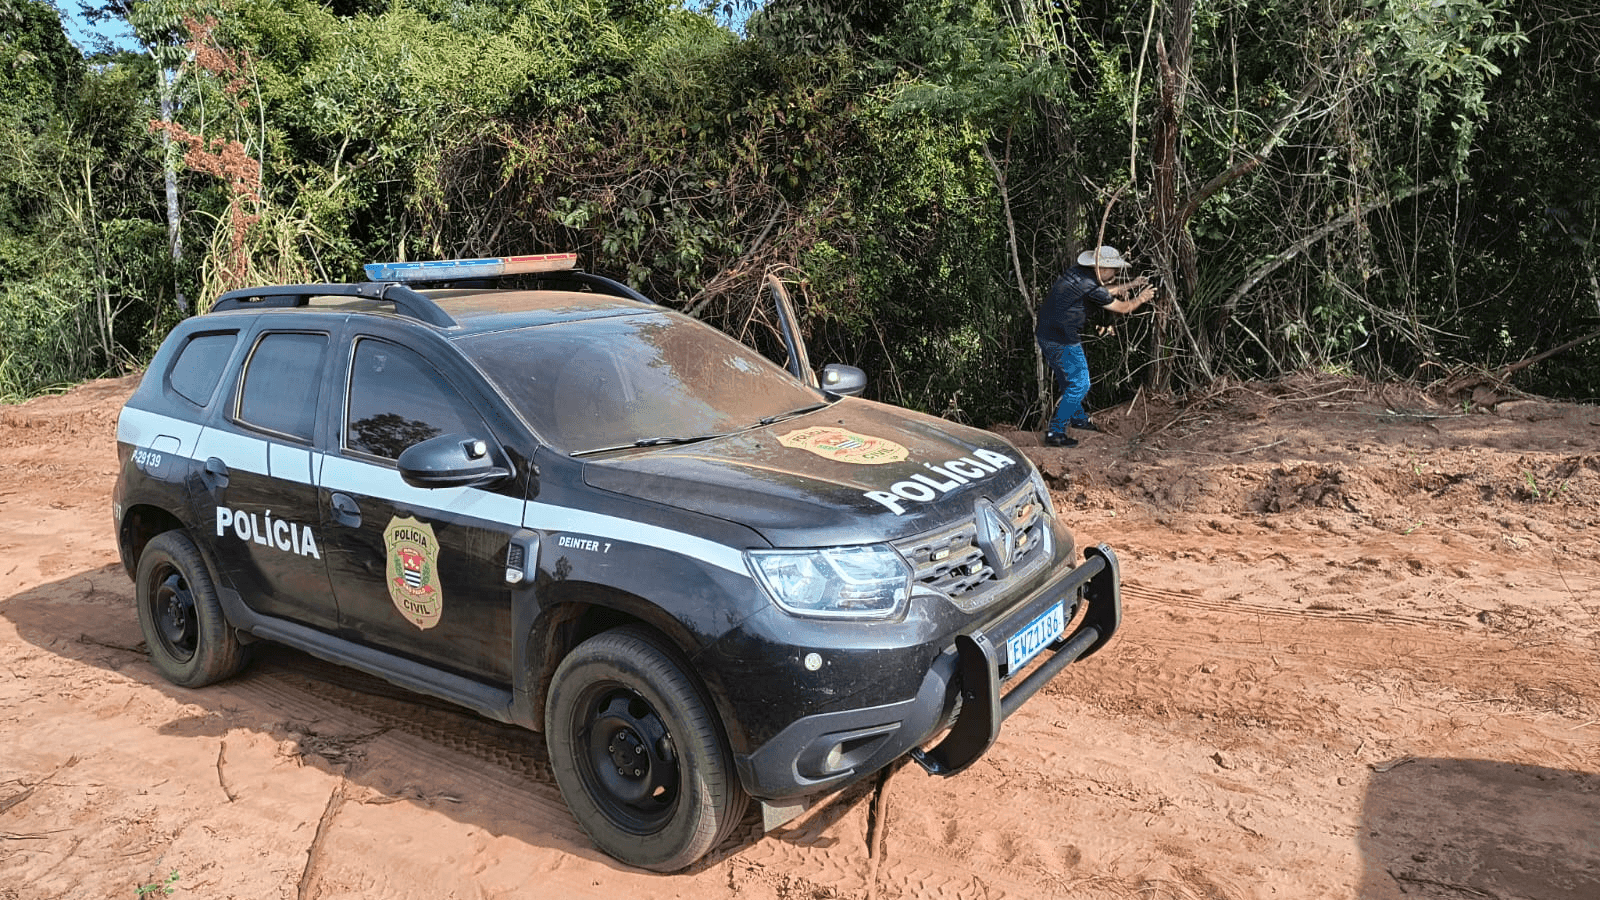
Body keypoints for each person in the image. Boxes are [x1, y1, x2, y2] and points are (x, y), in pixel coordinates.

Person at [1035, 245, 1155, 447]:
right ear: (1103, 268)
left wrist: (1131, 285)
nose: (1116, 273)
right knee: (1081, 383)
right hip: (1063, 339)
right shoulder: (1090, 286)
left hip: (1046, 335)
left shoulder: (1078, 274)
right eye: (1114, 269)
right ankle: (1055, 432)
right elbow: (1123, 307)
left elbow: (1102, 292)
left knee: (1068, 380)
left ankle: (1078, 419)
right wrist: (1142, 297)